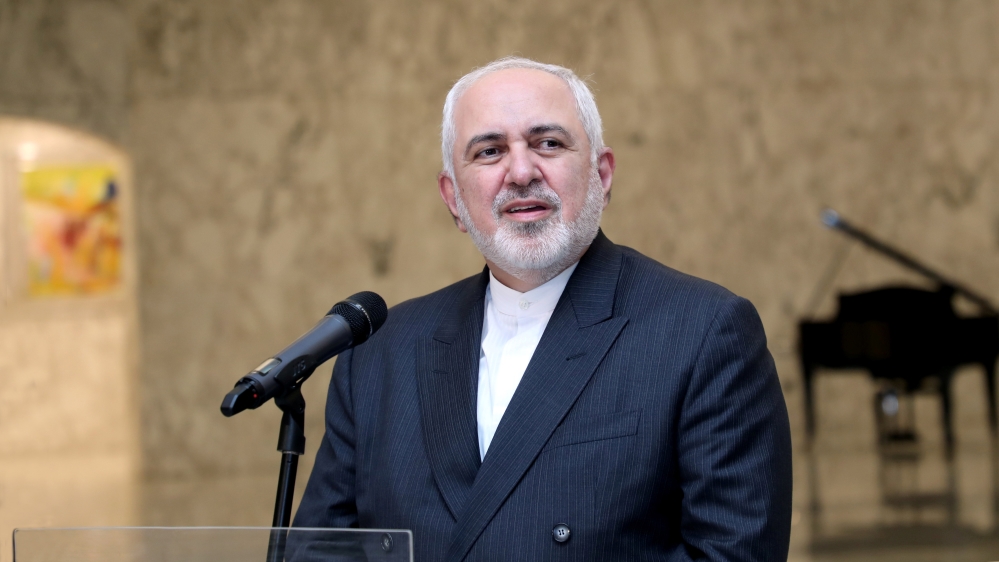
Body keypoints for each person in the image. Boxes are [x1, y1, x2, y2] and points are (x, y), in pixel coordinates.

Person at [293, 57, 792, 561]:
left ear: (602, 174)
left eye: (548, 143)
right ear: (453, 199)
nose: (521, 172)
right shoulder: (379, 353)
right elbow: (322, 551)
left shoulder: (703, 333)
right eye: (489, 151)